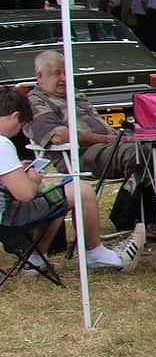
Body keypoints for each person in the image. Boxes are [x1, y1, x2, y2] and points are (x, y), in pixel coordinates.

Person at [0, 87, 130, 271]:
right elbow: (25, 195)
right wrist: (33, 177)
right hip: (7, 220)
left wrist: (16, 170)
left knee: (53, 196)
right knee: (79, 190)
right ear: (14, 116)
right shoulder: (2, 144)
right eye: (20, 125)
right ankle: (94, 253)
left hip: (7, 213)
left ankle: (36, 259)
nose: (18, 131)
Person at [25, 51, 156, 202]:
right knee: (137, 154)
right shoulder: (34, 102)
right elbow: (59, 136)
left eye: (66, 73)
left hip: (108, 146)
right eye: (57, 73)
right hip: (78, 155)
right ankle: (128, 215)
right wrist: (111, 139)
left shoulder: (74, 94)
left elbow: (101, 125)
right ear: (40, 76)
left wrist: (130, 134)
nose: (64, 79)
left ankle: (146, 211)